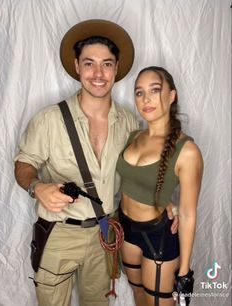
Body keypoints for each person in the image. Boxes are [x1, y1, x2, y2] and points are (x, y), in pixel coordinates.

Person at [14, 20, 178, 306]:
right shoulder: (49, 119)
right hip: (58, 233)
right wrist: (37, 187)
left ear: (116, 69)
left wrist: (162, 200)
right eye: (90, 64)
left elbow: (138, 175)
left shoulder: (129, 122)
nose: (98, 74)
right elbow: (24, 165)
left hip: (106, 233)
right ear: (77, 66)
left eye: (107, 64)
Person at [116, 66, 204, 306]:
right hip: (126, 230)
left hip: (158, 237)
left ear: (171, 95)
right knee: (138, 296)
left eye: (154, 90)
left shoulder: (187, 151)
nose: (146, 99)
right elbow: (135, 181)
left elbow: (187, 214)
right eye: (139, 92)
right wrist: (166, 200)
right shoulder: (133, 136)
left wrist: (184, 271)